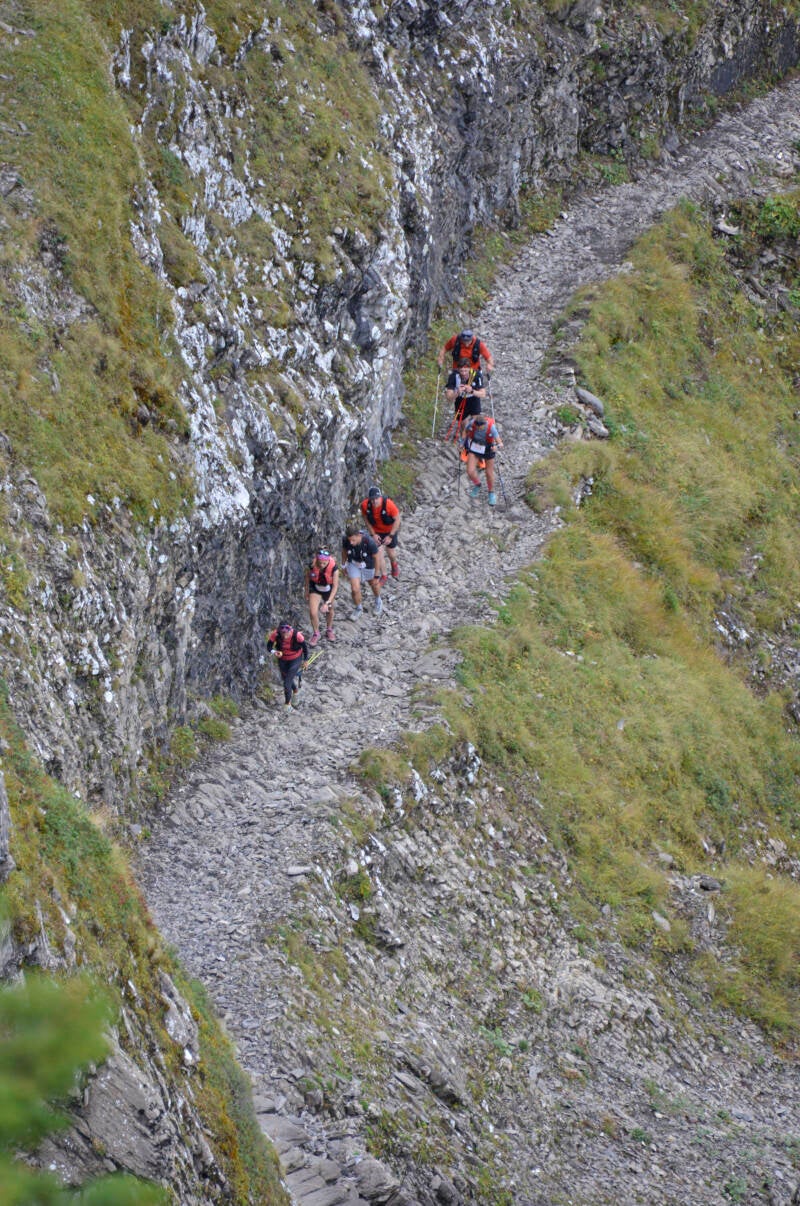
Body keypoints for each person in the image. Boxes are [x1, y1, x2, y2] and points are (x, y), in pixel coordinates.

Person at [360, 486, 401, 583]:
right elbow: (366, 520)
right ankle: (384, 575)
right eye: (372, 499)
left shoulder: (389, 505)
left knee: (391, 553)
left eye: (376, 498)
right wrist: (373, 534)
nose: (374, 501)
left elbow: (397, 519)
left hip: (389, 530)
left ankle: (394, 564)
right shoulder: (365, 505)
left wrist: (390, 536)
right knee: (378, 553)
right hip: (376, 532)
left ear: (380, 497)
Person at [266, 620, 309, 712]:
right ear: (280, 631)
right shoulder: (275, 634)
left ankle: (287, 705)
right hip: (283, 659)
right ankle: (295, 691)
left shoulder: (297, 635)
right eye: (283, 633)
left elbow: (305, 649)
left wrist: (305, 661)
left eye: (286, 632)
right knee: (286, 678)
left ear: (290, 630)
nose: (285, 635)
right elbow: (269, 647)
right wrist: (274, 652)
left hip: (295, 659)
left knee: (287, 683)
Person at [341, 522, 383, 616]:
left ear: (359, 535)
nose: (351, 543)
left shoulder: (369, 542)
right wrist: (343, 565)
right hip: (353, 564)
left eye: (353, 540)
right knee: (355, 589)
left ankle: (378, 600)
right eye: (350, 540)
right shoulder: (346, 540)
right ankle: (358, 608)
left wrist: (376, 575)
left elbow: (377, 558)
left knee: (373, 584)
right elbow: (344, 551)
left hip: (368, 564)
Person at [463, 414, 503, 506]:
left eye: (481, 427)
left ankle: (491, 493)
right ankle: (477, 484)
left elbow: (501, 444)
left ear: (484, 424)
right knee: (470, 471)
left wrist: (496, 447)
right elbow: (465, 431)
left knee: (489, 473)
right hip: (475, 447)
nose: (479, 429)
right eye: (477, 427)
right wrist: (462, 442)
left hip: (488, 449)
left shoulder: (491, 427)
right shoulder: (472, 423)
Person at [305, 547, 339, 645]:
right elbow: (307, 578)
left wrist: (327, 602)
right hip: (315, 588)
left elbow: (335, 587)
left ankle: (329, 629)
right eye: (320, 562)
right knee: (313, 612)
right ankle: (316, 633)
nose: (321, 565)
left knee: (330, 610)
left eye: (324, 563)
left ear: (328, 560)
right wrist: (306, 591)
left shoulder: (334, 568)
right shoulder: (312, 565)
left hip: (328, 589)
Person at [445, 363, 486, 439]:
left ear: (470, 369)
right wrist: (457, 392)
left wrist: (472, 391)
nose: (463, 373)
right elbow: (449, 397)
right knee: (463, 424)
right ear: (458, 370)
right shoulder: (454, 376)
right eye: (461, 371)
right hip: (460, 399)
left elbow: (483, 394)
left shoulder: (476, 375)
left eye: (466, 371)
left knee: (477, 422)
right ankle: (464, 441)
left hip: (473, 399)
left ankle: (476, 440)